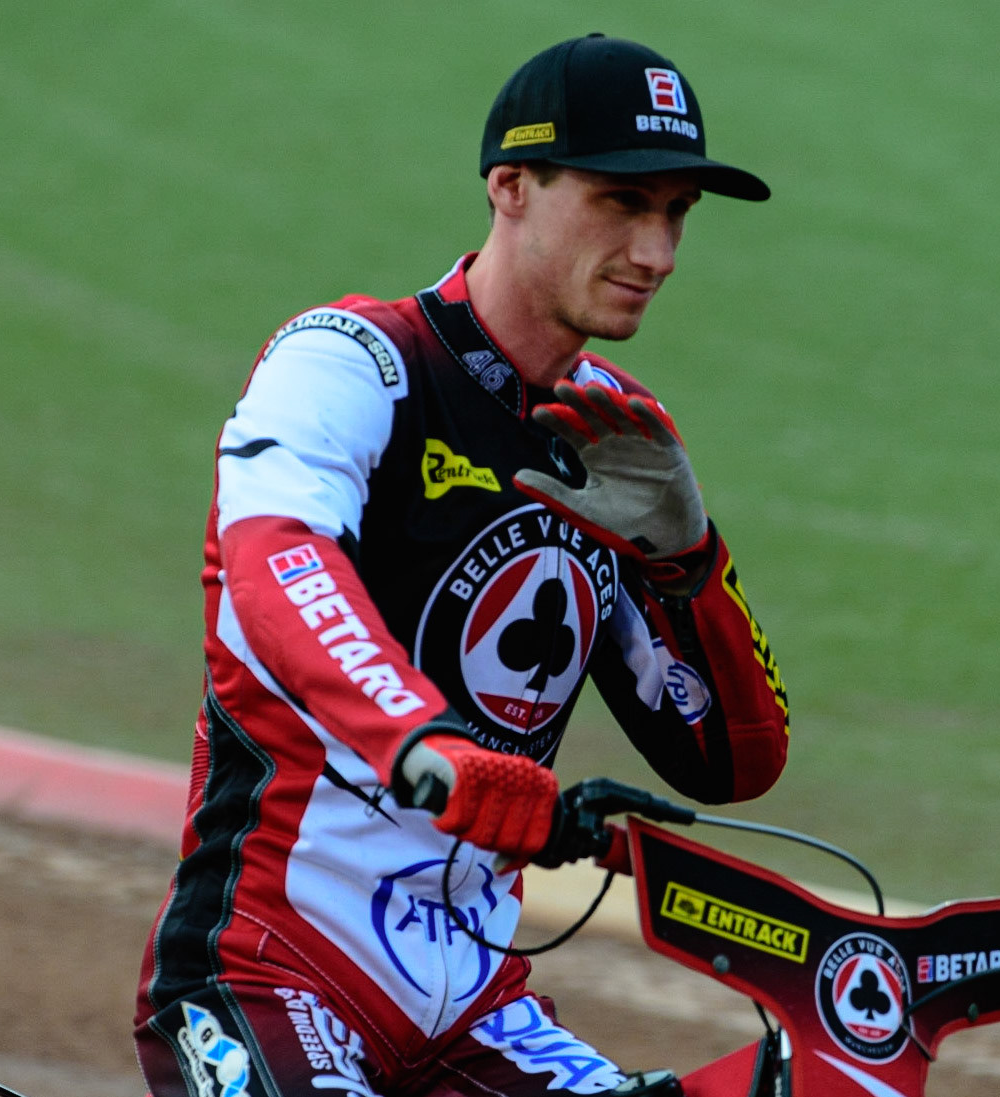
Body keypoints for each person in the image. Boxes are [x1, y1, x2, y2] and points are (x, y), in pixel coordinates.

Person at [133, 33, 790, 1097]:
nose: (658, 251)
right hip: (272, 974)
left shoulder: (617, 437)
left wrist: (687, 561)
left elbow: (731, 758)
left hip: (477, 1007)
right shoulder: (350, 361)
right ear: (510, 187)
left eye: (676, 211)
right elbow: (270, 568)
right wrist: (427, 749)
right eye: (623, 203)